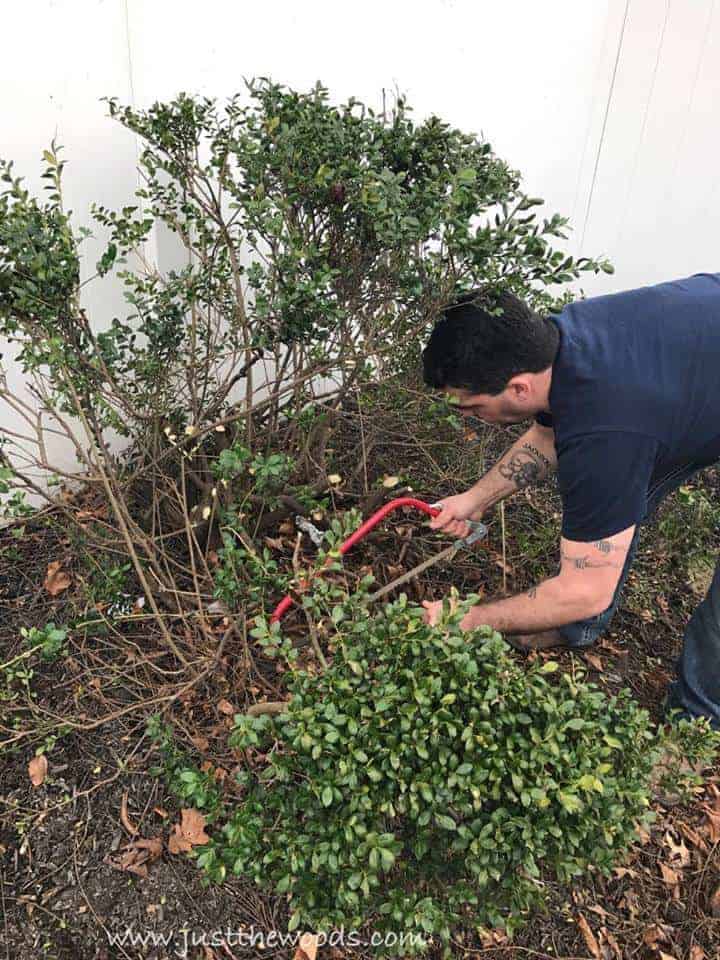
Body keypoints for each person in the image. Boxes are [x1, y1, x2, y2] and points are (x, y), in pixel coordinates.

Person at [420, 274, 720, 727]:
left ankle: (698, 723)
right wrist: (475, 499)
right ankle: (575, 628)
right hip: (688, 383)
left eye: (471, 407)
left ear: (519, 388)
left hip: (660, 403)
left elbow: (585, 592)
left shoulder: (608, 434)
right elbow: (548, 434)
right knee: (618, 498)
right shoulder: (560, 342)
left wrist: (466, 620)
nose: (470, 418)